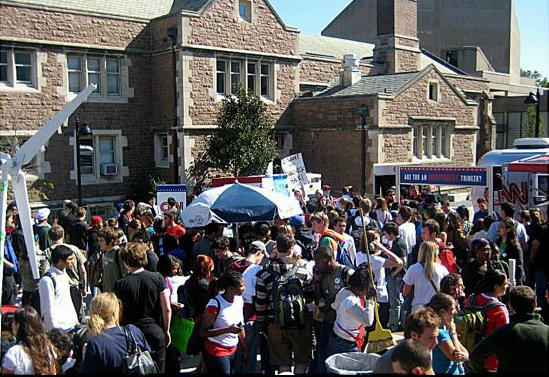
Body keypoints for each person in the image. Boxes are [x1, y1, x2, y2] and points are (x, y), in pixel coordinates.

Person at [255, 234, 315, 374]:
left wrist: (262, 324)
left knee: (283, 364)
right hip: (300, 324)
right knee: (301, 362)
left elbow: (260, 304)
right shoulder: (303, 273)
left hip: (275, 324)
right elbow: (310, 302)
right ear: (291, 249)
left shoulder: (264, 274)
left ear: (276, 249)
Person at [114, 241, 172, 373]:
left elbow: (119, 312)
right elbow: (166, 307)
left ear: (126, 262)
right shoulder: (157, 278)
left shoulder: (120, 284)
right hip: (155, 331)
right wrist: (166, 330)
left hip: (131, 335)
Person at [470, 285, 549, 374]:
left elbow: (475, 357)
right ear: (535, 304)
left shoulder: (503, 332)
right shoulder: (546, 331)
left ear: (510, 306)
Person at [81, 292, 151, 374]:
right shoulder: (133, 331)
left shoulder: (94, 345)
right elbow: (148, 356)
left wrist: (84, 356)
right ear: (115, 312)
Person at [312, 246, 355, 371]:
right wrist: (317, 282)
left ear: (329, 259)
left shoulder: (346, 273)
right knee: (322, 353)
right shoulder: (321, 274)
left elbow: (357, 292)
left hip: (344, 325)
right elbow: (318, 299)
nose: (316, 264)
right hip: (327, 321)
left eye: (318, 261)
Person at [200, 270, 247, 374]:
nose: (244, 288)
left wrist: (245, 350)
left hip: (233, 349)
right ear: (231, 289)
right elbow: (203, 332)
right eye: (241, 286)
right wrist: (227, 330)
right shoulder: (214, 304)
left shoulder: (239, 300)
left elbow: (241, 326)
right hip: (216, 350)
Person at [463, 269, 509, 372]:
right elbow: (504, 338)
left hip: (468, 355)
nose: (507, 286)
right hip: (490, 361)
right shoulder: (500, 310)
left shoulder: (471, 299)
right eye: (505, 284)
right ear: (496, 287)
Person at [231, 241, 266, 374]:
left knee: (236, 352)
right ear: (259, 253)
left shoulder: (233, 266)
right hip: (250, 316)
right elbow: (256, 297)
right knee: (249, 353)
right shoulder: (256, 270)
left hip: (231, 314)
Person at [374, 307, 441, 373]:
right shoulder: (387, 363)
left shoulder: (426, 349)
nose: (436, 342)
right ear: (414, 335)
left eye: (436, 337)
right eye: (430, 338)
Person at [328, 265, 375, 355]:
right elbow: (368, 321)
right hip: (346, 345)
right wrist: (370, 300)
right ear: (363, 288)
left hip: (337, 338)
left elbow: (335, 306)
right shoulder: (351, 301)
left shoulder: (343, 291)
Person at [361, 229, 404, 328]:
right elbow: (399, 262)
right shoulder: (375, 260)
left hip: (365, 295)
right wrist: (384, 249)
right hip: (380, 296)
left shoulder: (359, 256)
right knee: (380, 324)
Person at [44, 225, 87, 320]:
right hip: (74, 286)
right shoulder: (74, 249)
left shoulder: (47, 252)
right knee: (78, 314)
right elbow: (82, 270)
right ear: (63, 235)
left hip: (58, 286)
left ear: (50, 237)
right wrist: (83, 286)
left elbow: (45, 270)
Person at [1, 306, 57, 375]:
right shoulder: (47, 348)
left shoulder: (14, 353)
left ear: (18, 326)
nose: (12, 325)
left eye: (13, 322)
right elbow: (53, 372)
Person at [38, 244, 79, 332]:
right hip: (58, 330)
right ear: (60, 261)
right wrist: (54, 332)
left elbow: (67, 299)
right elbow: (48, 309)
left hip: (70, 325)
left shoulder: (64, 274)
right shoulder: (47, 280)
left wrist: (75, 319)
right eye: (70, 259)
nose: (72, 262)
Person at [427, 293, 469, 374]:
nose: (455, 312)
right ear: (442, 312)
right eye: (453, 309)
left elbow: (465, 352)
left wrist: (466, 356)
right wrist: (453, 334)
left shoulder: (445, 328)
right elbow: (457, 358)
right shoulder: (439, 333)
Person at [403, 241, 449, 313]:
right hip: (436, 308)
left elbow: (405, 292)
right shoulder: (442, 269)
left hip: (418, 308)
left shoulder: (413, 268)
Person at [180, 254, 216, 320]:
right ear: (208, 268)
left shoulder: (189, 281)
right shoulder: (203, 285)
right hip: (202, 317)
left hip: (191, 315)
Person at [496, 218, 525, 285]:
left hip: (511, 279)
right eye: (499, 226)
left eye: (501, 227)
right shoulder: (497, 243)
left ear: (509, 229)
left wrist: (518, 283)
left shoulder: (514, 246)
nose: (498, 229)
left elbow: (519, 266)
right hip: (500, 279)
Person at [98, 227, 126, 292]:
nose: (99, 243)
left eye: (101, 241)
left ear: (110, 241)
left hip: (117, 294)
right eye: (98, 240)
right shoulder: (105, 253)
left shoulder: (119, 253)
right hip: (106, 293)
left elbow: (125, 275)